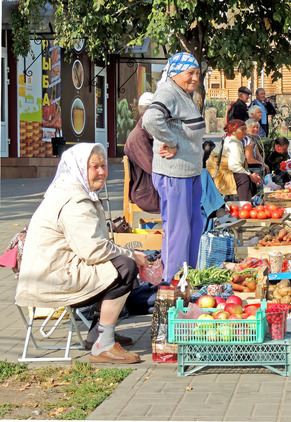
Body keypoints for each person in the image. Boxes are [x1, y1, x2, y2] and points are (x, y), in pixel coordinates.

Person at [15, 143, 149, 364]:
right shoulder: (74, 200)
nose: (102, 172)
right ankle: (103, 345)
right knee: (125, 267)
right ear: (78, 168)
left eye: (104, 166)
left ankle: (98, 333)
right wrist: (133, 255)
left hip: (55, 271)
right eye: (94, 167)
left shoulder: (72, 190)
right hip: (54, 279)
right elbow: (94, 250)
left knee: (118, 264)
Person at [143, 52, 205, 284]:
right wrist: (171, 141)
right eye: (190, 73)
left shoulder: (183, 94)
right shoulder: (168, 91)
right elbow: (151, 119)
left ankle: (188, 278)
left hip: (190, 173)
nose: (195, 78)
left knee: (193, 226)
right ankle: (173, 283)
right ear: (175, 73)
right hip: (174, 174)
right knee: (178, 232)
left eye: (198, 73)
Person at [124, 92, 160, 214]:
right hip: (148, 193)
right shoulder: (139, 137)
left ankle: (212, 222)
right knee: (196, 184)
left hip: (155, 187)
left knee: (198, 180)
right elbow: (154, 168)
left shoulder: (148, 132)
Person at [223, 119, 262, 201]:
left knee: (250, 175)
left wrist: (251, 174)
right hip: (223, 174)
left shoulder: (237, 141)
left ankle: (252, 201)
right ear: (234, 131)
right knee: (244, 178)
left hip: (229, 170)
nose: (245, 131)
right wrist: (249, 175)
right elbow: (234, 166)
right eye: (242, 129)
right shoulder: (233, 143)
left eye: (245, 129)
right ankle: (245, 205)